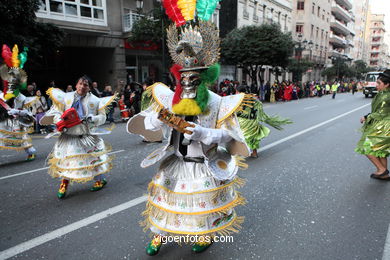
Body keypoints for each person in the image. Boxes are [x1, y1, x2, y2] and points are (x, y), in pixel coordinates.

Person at [127, 21, 252, 256]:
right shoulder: (172, 99)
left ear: (204, 78)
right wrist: (158, 119)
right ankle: (159, 235)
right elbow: (149, 125)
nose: (187, 84)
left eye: (193, 79)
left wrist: (203, 133)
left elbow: (230, 134)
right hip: (176, 161)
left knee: (201, 205)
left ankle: (202, 235)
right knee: (167, 200)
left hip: (203, 165)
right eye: (183, 79)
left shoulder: (217, 102)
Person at [41, 75, 116, 198]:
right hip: (68, 135)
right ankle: (64, 183)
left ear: (89, 87)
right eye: (80, 84)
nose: (82, 86)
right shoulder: (66, 97)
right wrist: (60, 119)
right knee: (67, 161)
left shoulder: (96, 100)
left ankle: (100, 179)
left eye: (85, 85)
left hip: (86, 135)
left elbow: (103, 118)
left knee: (92, 159)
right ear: (76, 85)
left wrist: (93, 119)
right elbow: (55, 111)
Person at [0, 44, 37, 161]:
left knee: (22, 137)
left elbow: (30, 114)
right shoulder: (3, 96)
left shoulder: (23, 98)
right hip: (4, 120)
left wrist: (17, 111)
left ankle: (31, 151)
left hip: (17, 122)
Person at [235, 85, 291, 157]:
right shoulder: (253, 98)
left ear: (237, 91)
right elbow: (259, 105)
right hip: (252, 121)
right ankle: (254, 153)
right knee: (253, 137)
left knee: (239, 136)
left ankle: (239, 152)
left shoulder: (237, 99)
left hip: (242, 121)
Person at [355, 69, 390, 180]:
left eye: (379, 83)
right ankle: (384, 173)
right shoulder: (383, 94)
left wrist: (366, 117)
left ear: (387, 84)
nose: (376, 85)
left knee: (367, 147)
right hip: (384, 124)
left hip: (384, 125)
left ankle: (382, 170)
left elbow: (381, 113)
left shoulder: (386, 96)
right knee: (381, 150)